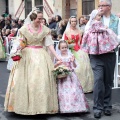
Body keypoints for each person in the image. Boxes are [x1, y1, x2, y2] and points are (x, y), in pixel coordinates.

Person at [4, 9, 60, 115]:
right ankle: (24, 106)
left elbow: (49, 44)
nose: (41, 20)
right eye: (39, 18)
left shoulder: (45, 29)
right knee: (25, 80)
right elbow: (20, 42)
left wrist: (57, 56)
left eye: (41, 18)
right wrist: (17, 50)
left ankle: (42, 107)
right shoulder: (24, 29)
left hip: (41, 55)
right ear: (33, 18)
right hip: (26, 56)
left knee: (42, 80)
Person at [85, 0, 120, 118]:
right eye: (99, 6)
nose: (99, 8)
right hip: (96, 55)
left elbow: (119, 36)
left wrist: (109, 41)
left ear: (109, 7)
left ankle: (107, 106)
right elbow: (86, 32)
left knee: (108, 81)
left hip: (110, 54)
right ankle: (97, 107)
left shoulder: (117, 20)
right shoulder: (94, 17)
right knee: (98, 80)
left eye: (102, 6)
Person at [55, 40, 89, 113]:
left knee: (74, 91)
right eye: (62, 48)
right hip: (63, 77)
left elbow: (74, 66)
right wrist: (57, 64)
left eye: (65, 47)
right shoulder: (58, 57)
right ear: (59, 48)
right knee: (64, 93)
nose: (64, 49)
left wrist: (73, 61)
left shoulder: (71, 56)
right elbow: (54, 67)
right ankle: (65, 108)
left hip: (71, 76)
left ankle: (77, 107)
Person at [62, 16, 94, 93]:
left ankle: (85, 87)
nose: (74, 23)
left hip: (80, 49)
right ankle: (74, 87)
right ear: (70, 22)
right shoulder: (67, 32)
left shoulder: (80, 31)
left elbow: (81, 42)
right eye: (72, 21)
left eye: (75, 21)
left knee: (85, 67)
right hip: (71, 50)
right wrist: (69, 48)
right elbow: (64, 42)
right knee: (76, 69)